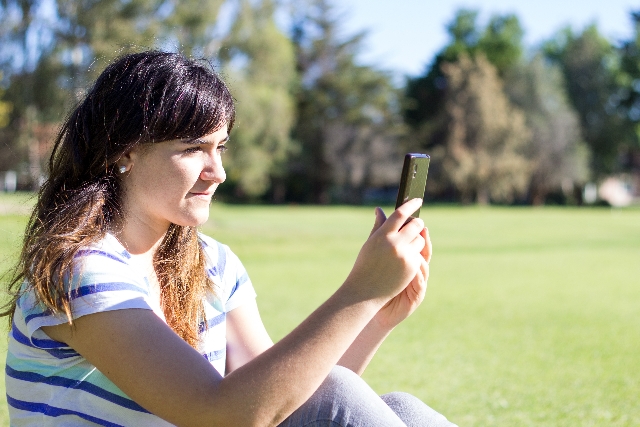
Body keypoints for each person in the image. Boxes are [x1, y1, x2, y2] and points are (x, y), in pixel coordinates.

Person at [2, 51, 456, 427]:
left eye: (220, 147)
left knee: (405, 411)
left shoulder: (212, 263)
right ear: (126, 152)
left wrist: (375, 313)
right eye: (193, 148)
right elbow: (224, 413)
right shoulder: (80, 271)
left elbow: (285, 406)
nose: (217, 172)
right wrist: (359, 292)